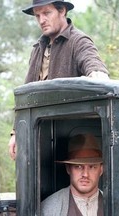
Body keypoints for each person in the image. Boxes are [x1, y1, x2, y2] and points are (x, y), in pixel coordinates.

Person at [8, 0, 109, 160]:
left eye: (47, 13)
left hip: (73, 141)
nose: (41, 20)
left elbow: (91, 61)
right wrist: (16, 132)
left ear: (62, 11)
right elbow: (27, 96)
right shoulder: (38, 48)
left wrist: (97, 73)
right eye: (37, 15)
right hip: (40, 138)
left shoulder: (78, 41)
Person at [41, 133, 104, 216]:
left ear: (101, 170)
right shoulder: (49, 208)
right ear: (68, 169)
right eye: (78, 167)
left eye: (92, 167)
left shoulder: (115, 203)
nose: (85, 174)